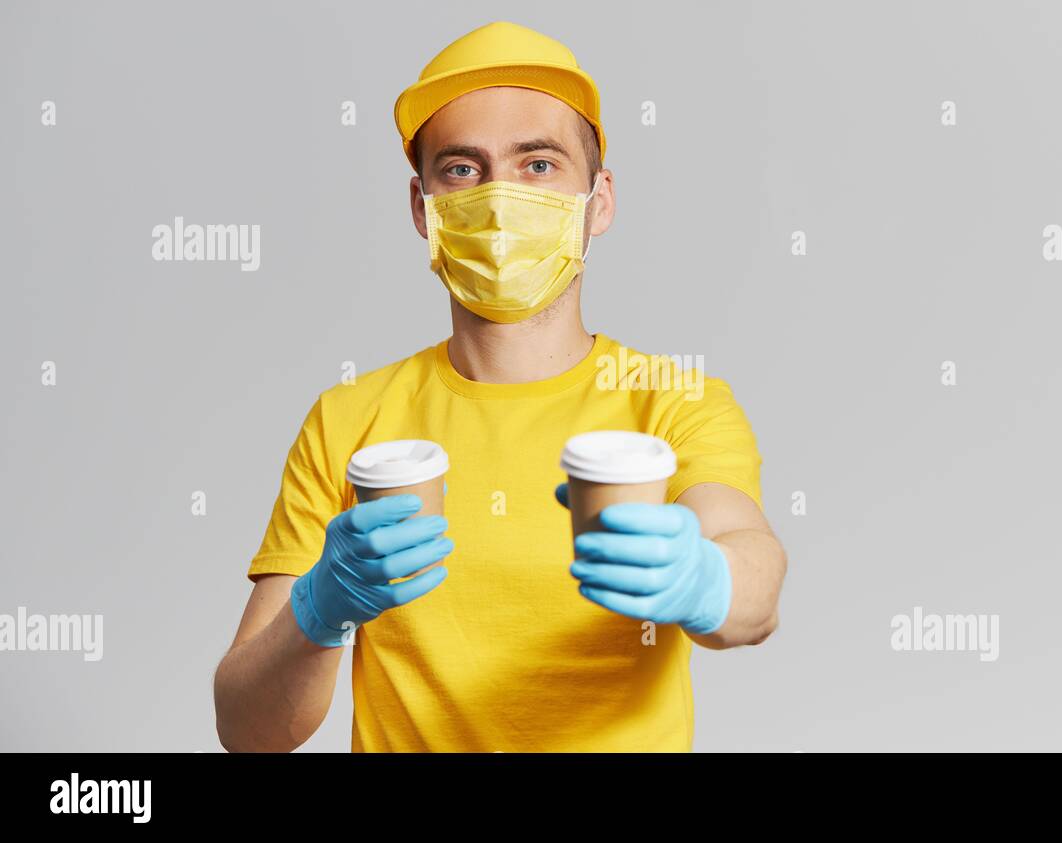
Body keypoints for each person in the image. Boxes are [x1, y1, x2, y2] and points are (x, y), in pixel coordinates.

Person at [213, 20, 787, 752]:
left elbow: (756, 585)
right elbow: (246, 729)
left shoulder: (671, 400)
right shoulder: (349, 421)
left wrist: (706, 578)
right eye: (462, 170)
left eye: (539, 164)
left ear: (599, 200)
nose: (500, 198)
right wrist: (320, 610)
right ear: (425, 211)